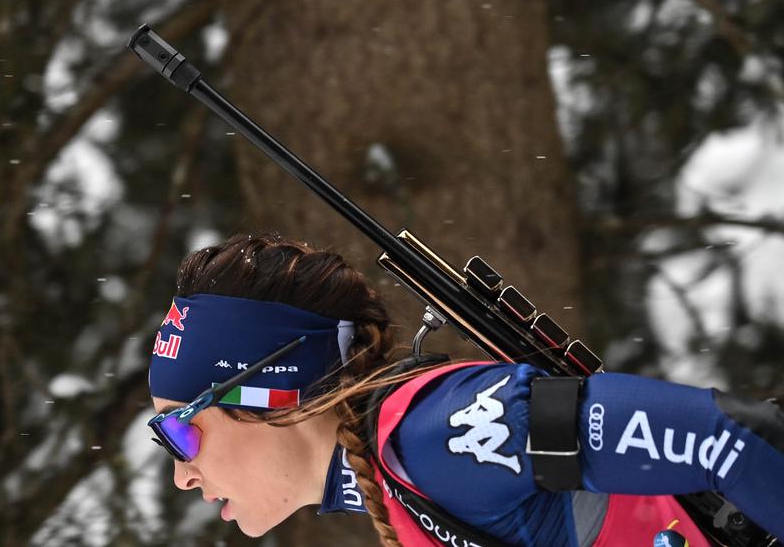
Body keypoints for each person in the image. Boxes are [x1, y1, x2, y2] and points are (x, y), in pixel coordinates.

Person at [147, 232, 784, 546]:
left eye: (177, 429)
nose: (180, 475)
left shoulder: (432, 435)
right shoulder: (393, 488)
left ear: (267, 392)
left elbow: (722, 435)